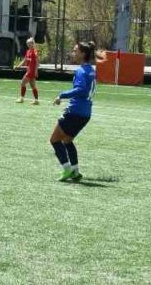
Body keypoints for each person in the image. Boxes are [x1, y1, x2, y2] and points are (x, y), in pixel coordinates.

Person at [51, 40, 100, 182]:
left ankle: (67, 169)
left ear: (83, 54)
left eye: (75, 51)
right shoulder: (91, 70)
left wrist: (62, 95)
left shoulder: (80, 71)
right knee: (67, 140)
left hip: (75, 111)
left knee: (54, 140)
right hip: (86, 113)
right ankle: (75, 171)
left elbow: (81, 90)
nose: (73, 53)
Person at [15, 37, 40, 104]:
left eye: (30, 44)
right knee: (33, 86)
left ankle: (22, 99)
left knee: (22, 83)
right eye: (28, 44)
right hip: (29, 70)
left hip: (31, 71)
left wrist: (36, 71)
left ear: (33, 44)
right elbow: (25, 60)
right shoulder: (28, 51)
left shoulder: (34, 51)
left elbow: (37, 62)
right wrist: (18, 66)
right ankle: (36, 101)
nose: (29, 45)